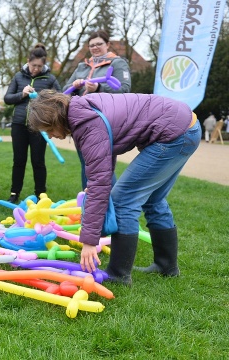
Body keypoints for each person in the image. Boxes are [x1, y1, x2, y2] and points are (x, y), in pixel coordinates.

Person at [27, 90, 201, 285]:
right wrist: (96, 188)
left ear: (54, 119)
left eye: (48, 130)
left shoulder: (86, 124)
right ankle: (166, 266)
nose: (51, 136)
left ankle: (119, 274)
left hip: (174, 135)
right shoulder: (82, 110)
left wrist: (89, 241)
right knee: (154, 199)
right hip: (186, 127)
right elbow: (102, 165)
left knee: (123, 200)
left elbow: (100, 182)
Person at [3, 44, 61, 203]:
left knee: (38, 161)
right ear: (28, 61)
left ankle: (41, 195)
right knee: (19, 160)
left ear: (44, 65)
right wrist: (22, 94)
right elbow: (7, 98)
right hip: (19, 124)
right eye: (33, 65)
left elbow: (60, 99)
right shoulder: (18, 77)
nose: (35, 69)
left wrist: (43, 97)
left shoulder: (50, 78)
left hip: (39, 126)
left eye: (39, 66)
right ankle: (14, 193)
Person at [63, 29, 131, 95]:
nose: (95, 47)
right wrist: (75, 86)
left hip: (103, 106)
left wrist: (98, 87)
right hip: (79, 105)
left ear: (107, 45)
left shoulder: (117, 63)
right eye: (92, 46)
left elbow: (125, 90)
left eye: (99, 44)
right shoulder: (82, 66)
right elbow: (65, 90)